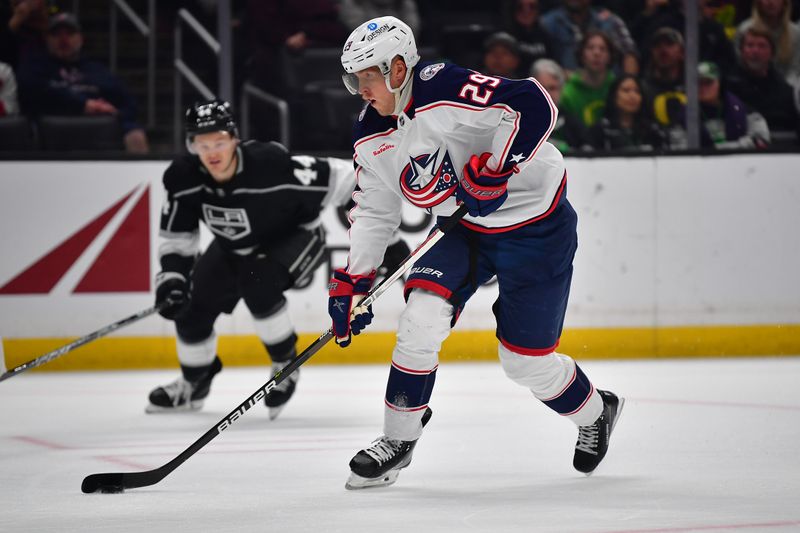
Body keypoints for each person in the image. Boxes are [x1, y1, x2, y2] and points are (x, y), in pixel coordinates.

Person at [332, 15, 624, 490]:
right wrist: (355, 280)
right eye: (354, 79)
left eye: (369, 76)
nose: (362, 89)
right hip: (465, 230)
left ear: (399, 68)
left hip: (537, 228)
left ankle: (596, 411)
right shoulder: (370, 134)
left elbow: (534, 102)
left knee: (524, 362)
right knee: (420, 317)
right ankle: (398, 439)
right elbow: (374, 209)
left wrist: (497, 168)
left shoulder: (443, 84)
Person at [150, 99, 348, 418]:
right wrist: (173, 278)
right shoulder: (183, 179)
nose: (212, 152)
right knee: (189, 306)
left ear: (234, 139)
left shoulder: (269, 163)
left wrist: (387, 236)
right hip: (234, 245)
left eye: (219, 142)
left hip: (296, 236)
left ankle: (285, 364)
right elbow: (178, 238)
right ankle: (194, 382)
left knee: (258, 283)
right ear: (192, 146)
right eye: (203, 145)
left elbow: (345, 178)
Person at [16, 12, 150, 153]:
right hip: (51, 132)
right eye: (57, 34)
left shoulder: (96, 70)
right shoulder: (34, 67)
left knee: (135, 135)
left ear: (80, 38)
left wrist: (114, 112)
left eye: (70, 33)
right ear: (47, 39)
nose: (64, 39)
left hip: (99, 132)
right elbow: (31, 90)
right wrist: (83, 105)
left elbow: (128, 103)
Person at [726, 26, 800, 138]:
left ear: (772, 53)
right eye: (750, 45)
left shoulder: (786, 91)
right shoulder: (728, 87)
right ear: (741, 51)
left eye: (762, 46)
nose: (755, 51)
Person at [541, 0, 638, 74]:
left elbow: (630, 54)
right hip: (566, 89)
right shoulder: (547, 23)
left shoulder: (609, 21)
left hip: (609, 89)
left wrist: (627, 84)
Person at [586, 73, 666, 151]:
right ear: (614, 96)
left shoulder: (653, 131)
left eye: (637, 91)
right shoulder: (601, 131)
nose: (632, 96)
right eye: (626, 91)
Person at [559, 30, 616, 128]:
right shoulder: (567, 94)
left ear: (610, 56)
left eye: (603, 49)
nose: (596, 53)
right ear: (582, 54)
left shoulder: (617, 88)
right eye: (590, 48)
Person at [531, 58, 587, 151]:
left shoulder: (573, 124)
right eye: (542, 88)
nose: (547, 93)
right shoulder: (520, 121)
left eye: (552, 88)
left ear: (561, 90)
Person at [502, 0, 554, 73]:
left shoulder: (546, 36)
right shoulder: (504, 36)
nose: (526, 11)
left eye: (532, 7)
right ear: (513, 9)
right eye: (520, 7)